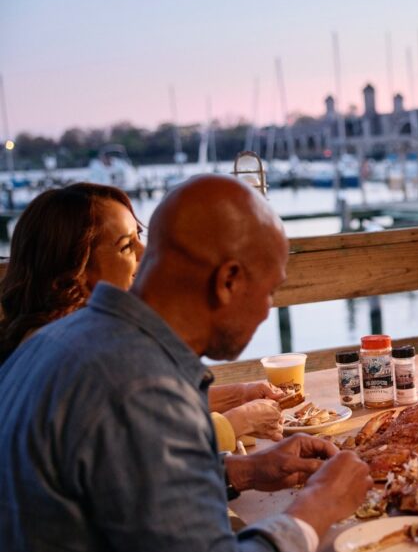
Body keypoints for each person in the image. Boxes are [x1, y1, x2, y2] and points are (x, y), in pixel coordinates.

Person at [0, 175, 374, 552]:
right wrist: (318, 506)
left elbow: (120, 484)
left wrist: (242, 471)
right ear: (229, 280)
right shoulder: (140, 384)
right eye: (271, 291)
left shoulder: (59, 342)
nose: (267, 309)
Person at [0, 182, 286, 441]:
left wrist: (239, 395)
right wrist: (235, 422)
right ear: (73, 270)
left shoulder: (41, 342)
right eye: (126, 246)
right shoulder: (83, 360)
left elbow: (148, 411)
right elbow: (151, 445)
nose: (145, 251)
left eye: (139, 235)